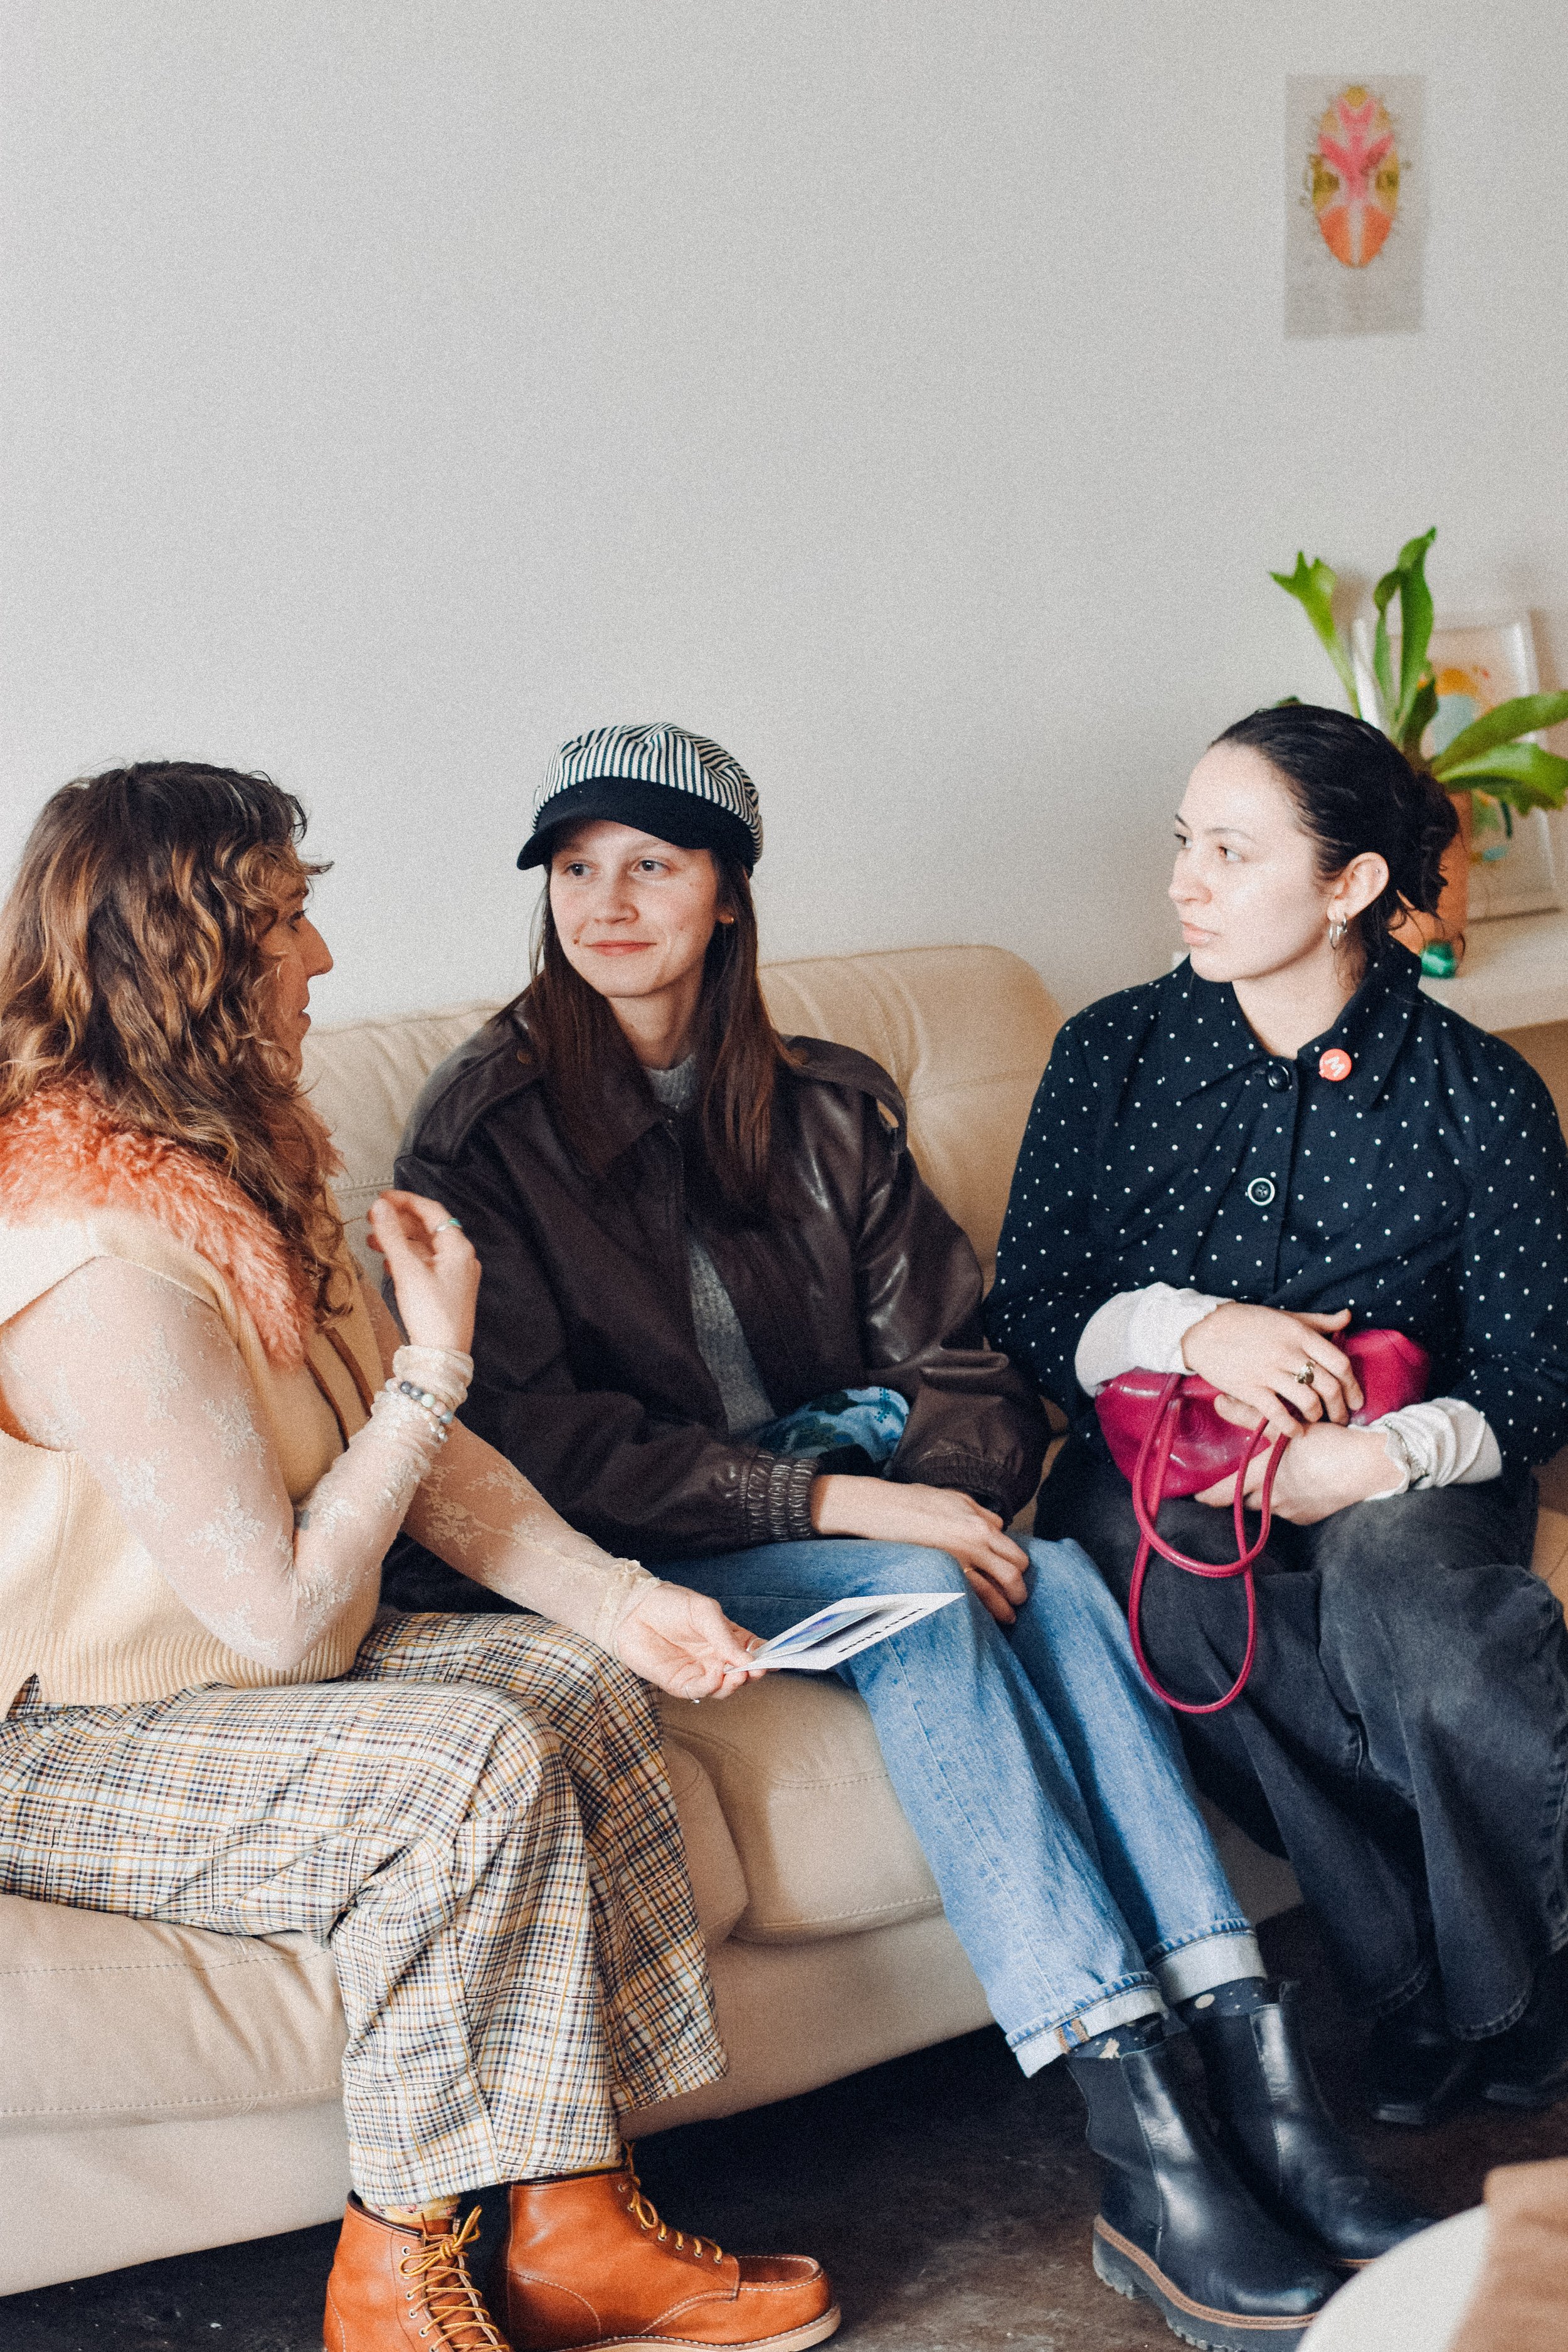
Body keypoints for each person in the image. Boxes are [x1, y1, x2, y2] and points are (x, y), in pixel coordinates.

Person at [393, 720, 1429, 2352]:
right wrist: (847, 1503)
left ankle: (1251, 2075)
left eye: (650, 863)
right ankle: (1140, 2144)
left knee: (1064, 1573)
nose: (607, 899)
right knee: (918, 1600)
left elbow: (962, 1346)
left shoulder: (822, 1102)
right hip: (652, 1531)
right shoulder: (486, 1129)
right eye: (574, 867)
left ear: (725, 891)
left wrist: (948, 1488)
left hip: (865, 1493)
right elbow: (533, 1442)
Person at [0, 762, 842, 2352]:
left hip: (202, 1674)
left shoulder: (231, 1156)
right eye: (289, 921)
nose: (320, 960)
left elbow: (413, 1468)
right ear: (190, 950)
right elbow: (293, 1630)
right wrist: (431, 1360)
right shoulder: (84, 1240)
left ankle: (572, 2223)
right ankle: (390, 2271)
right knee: (454, 1766)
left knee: (568, 1685)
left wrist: (626, 1602)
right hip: (55, 1733)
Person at [987, 701, 1568, 2139]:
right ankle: (1405, 1985)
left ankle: (1503, 1997)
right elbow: (1030, 1313)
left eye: (1230, 851)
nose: (1183, 881)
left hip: (1407, 1463)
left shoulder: (1476, 1096)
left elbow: (1530, 1382)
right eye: (1184, 844)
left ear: (1349, 885)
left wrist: (1363, 1459)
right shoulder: (1108, 1053)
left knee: (1415, 1613)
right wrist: (1193, 1327)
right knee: (1165, 1595)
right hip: (1155, 1466)